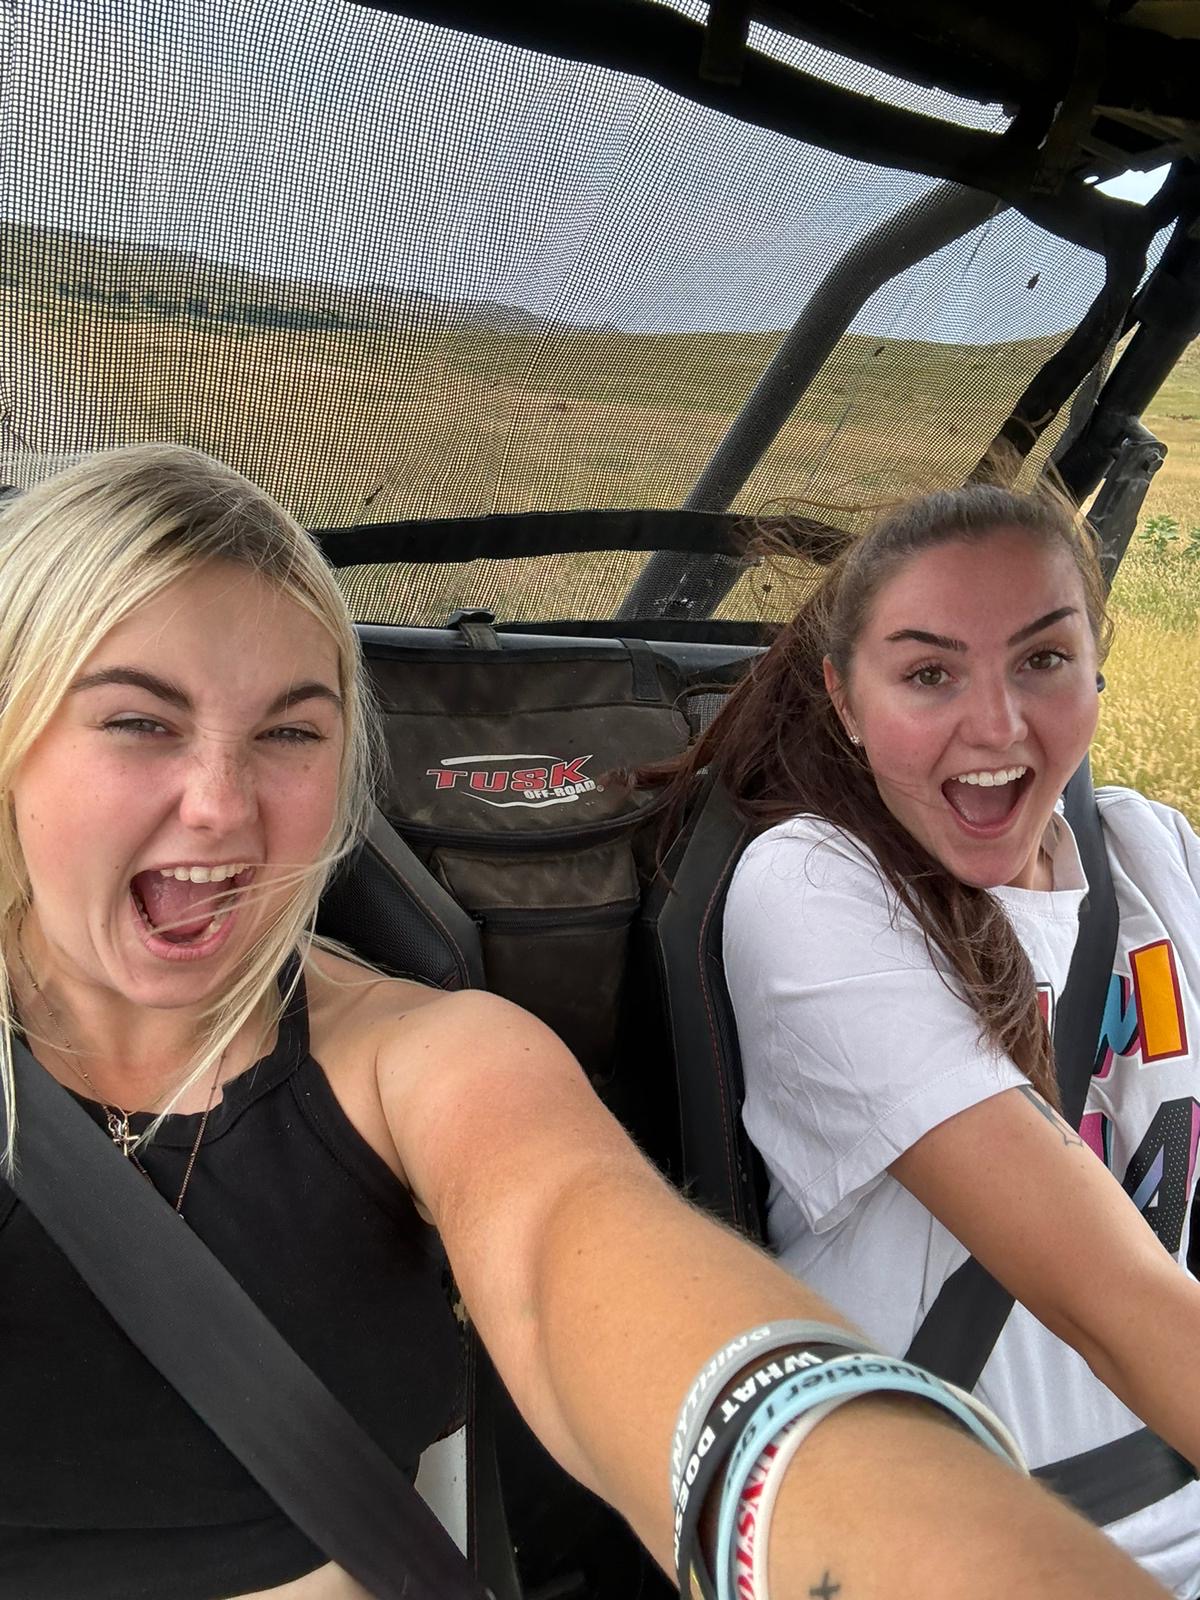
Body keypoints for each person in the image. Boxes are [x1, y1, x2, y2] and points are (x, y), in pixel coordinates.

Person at [0, 447, 1173, 1600]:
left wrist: (856, 1523)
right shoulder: (817, 888)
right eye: (139, 722)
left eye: (290, 732)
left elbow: (585, 1254)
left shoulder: (431, 1059)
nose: (221, 803)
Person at [645, 483, 1200, 1596]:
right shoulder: (813, 889)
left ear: (1097, 666)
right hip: (963, 1549)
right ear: (844, 700)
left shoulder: (1155, 854)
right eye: (930, 674)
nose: (995, 726)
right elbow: (1105, 1294)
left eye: (1043, 659)